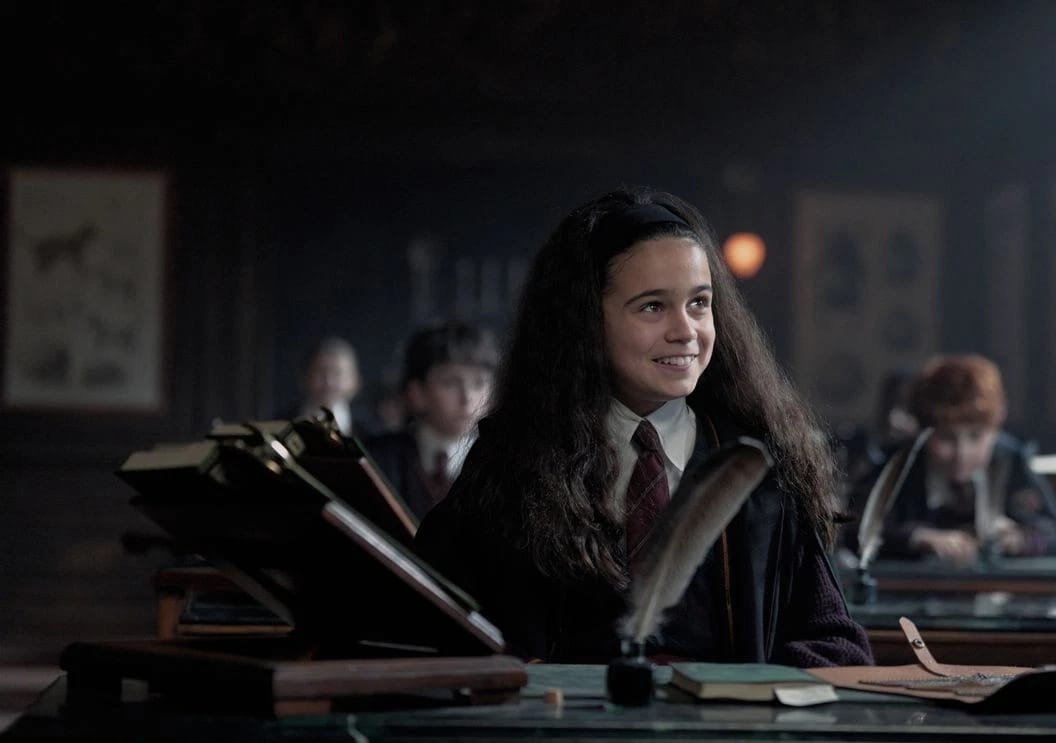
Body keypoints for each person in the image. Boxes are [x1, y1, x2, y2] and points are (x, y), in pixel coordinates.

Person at [413, 188, 872, 667]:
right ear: (586, 323)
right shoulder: (513, 466)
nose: (685, 330)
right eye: (652, 306)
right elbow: (440, 633)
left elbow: (836, 645)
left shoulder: (764, 470)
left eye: (699, 303)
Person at [851, 353, 1056, 565]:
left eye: (976, 436)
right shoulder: (898, 464)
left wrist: (1020, 539)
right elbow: (855, 530)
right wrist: (917, 537)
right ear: (922, 433)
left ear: (995, 431)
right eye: (946, 438)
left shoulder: (1011, 461)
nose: (962, 453)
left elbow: (1054, 529)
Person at [365, 320, 499, 522]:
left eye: (479, 383)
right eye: (450, 383)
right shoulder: (378, 459)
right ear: (417, 392)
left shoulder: (499, 462)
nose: (467, 398)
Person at [286, 337, 369, 437]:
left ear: (356, 381)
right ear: (305, 377)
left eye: (337, 373)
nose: (329, 382)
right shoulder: (280, 425)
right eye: (320, 372)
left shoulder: (370, 433)